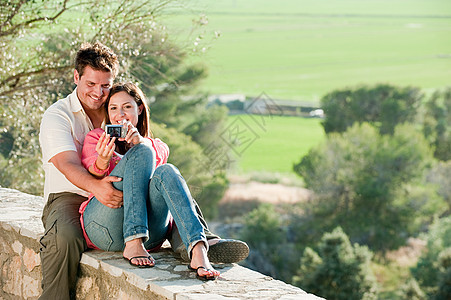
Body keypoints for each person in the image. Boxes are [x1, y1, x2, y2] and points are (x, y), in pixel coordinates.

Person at [38, 41, 248, 299]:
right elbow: (67, 164)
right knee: (65, 239)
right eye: (90, 84)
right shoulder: (58, 115)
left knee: (165, 174)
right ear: (76, 78)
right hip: (72, 196)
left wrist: (141, 143)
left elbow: (157, 174)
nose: (98, 92)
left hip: (124, 198)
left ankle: (197, 243)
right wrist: (97, 185)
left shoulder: (114, 111)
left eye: (105, 85)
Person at [80, 82, 219, 279]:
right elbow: (92, 177)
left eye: (127, 107)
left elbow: (158, 167)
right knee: (144, 152)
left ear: (139, 108)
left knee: (167, 170)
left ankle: (198, 250)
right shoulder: (96, 138)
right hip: (103, 226)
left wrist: (139, 142)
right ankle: (133, 241)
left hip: (150, 236)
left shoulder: (155, 146)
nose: (120, 114)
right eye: (113, 108)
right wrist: (102, 160)